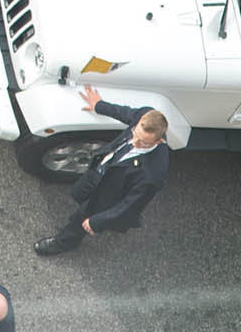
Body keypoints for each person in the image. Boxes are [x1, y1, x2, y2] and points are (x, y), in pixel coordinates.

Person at [33, 89, 170, 256]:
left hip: (110, 193)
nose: (134, 143)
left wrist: (97, 222)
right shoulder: (146, 115)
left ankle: (64, 242)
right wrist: (99, 105)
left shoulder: (152, 175)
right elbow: (125, 113)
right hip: (100, 171)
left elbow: (129, 204)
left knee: (81, 218)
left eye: (143, 143)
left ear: (159, 140)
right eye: (135, 134)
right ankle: (114, 221)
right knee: (79, 192)